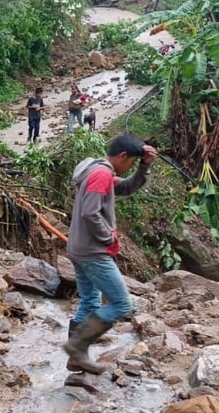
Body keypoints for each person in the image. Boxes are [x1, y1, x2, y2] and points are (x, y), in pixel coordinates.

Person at [63, 134, 157, 374]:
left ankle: (76, 358)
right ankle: (77, 347)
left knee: (90, 301)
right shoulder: (101, 174)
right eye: (133, 163)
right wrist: (108, 237)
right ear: (123, 156)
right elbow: (89, 213)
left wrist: (144, 167)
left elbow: (126, 187)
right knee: (122, 303)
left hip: (79, 248)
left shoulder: (96, 170)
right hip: (93, 251)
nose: (131, 167)